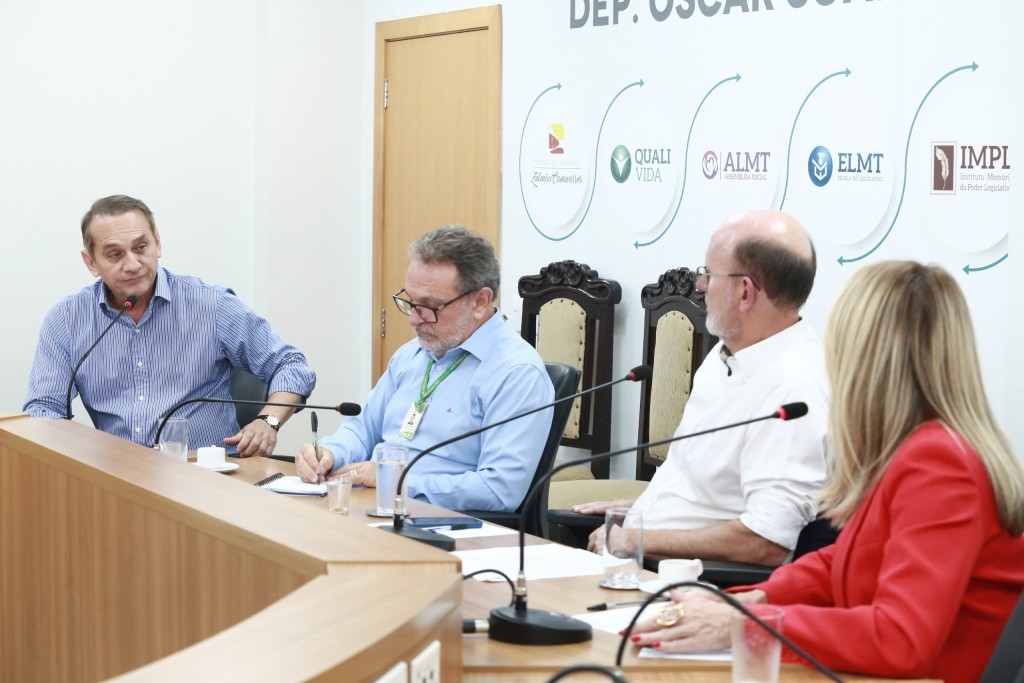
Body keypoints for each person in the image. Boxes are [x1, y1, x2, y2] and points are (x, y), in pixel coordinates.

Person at [628, 261, 1024, 683]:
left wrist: (745, 624)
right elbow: (849, 558)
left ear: (865, 359)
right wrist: (754, 600)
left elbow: (899, 640)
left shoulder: (939, 463)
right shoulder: (916, 445)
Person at [574, 209, 829, 566]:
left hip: (688, 582)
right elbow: (711, 493)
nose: (700, 284)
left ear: (744, 292)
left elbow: (766, 540)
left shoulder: (792, 391)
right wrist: (646, 505)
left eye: (709, 273)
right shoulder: (727, 353)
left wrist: (634, 539)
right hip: (638, 557)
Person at [24, 195, 315, 457]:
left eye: (141, 247)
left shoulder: (211, 306)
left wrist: (268, 421)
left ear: (158, 243)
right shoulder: (67, 320)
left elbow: (292, 366)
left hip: (207, 475)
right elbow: (44, 410)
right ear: (91, 262)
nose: (133, 264)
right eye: (115, 254)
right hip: (118, 478)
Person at [295, 225, 554, 512]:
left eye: (429, 307)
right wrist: (330, 453)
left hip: (442, 523)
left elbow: (498, 490)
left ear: (480, 301)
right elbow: (362, 429)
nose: (414, 320)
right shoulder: (412, 354)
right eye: (411, 302)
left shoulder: (516, 374)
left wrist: (395, 480)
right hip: (375, 506)